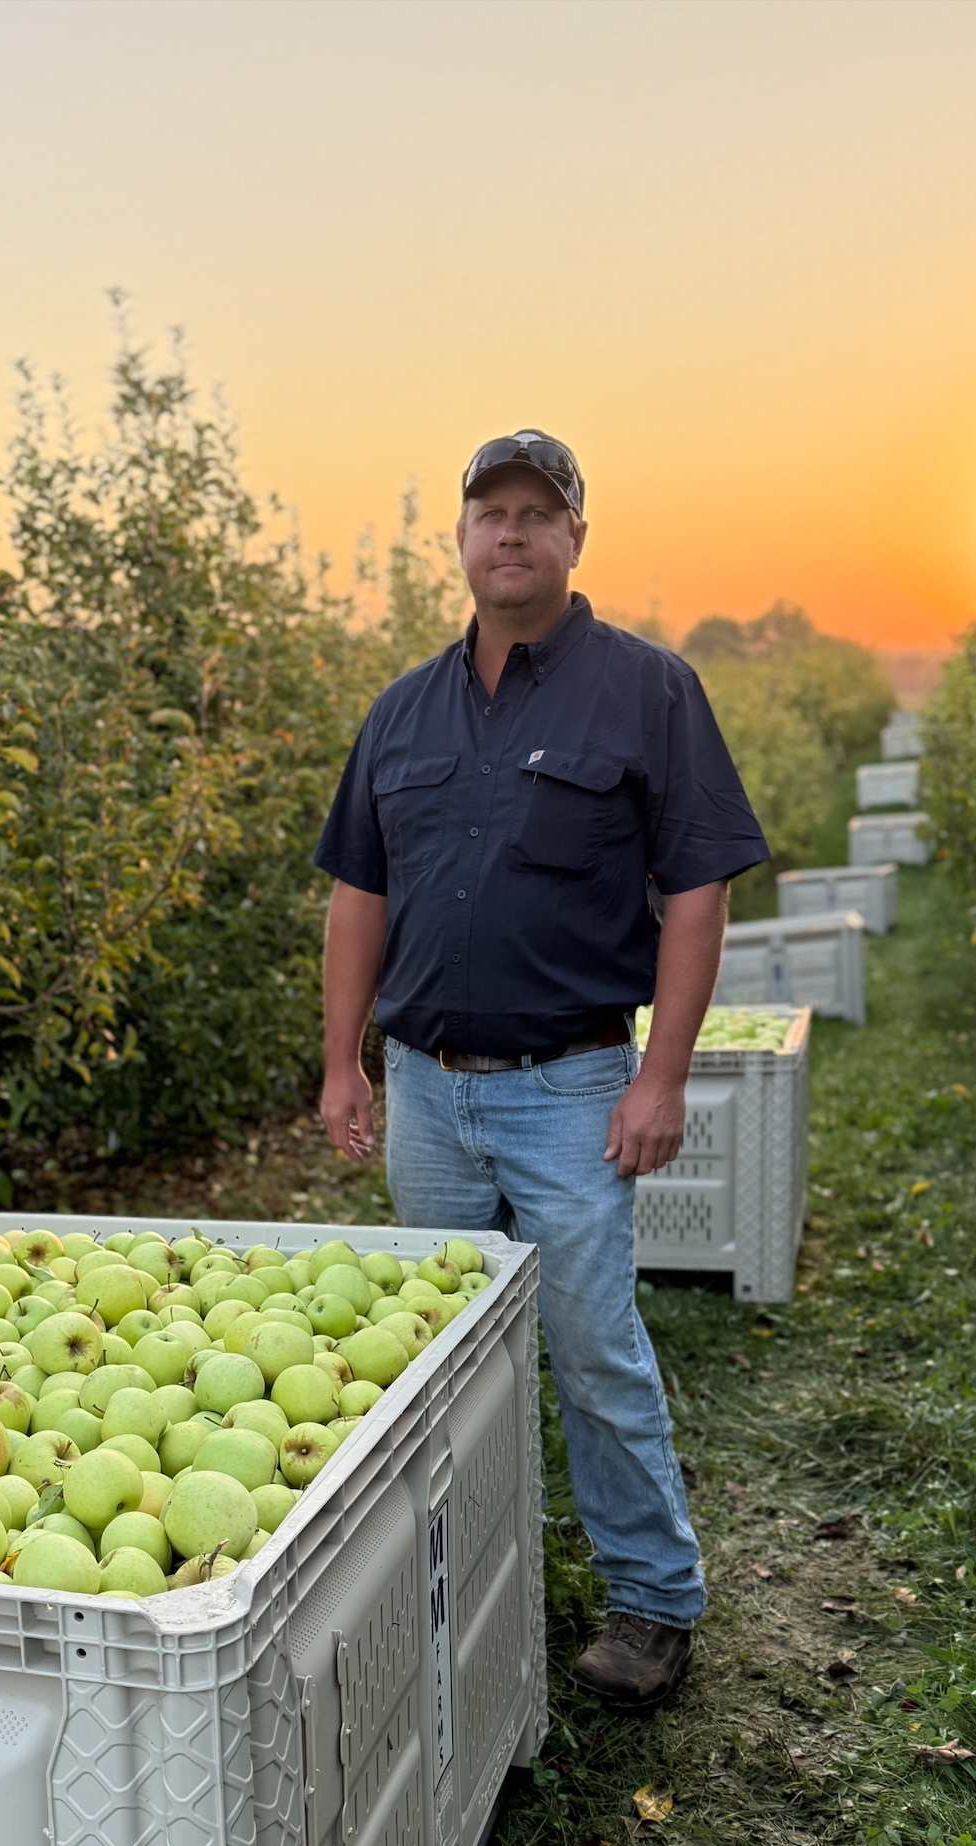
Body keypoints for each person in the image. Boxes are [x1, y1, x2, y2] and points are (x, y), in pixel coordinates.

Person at [314, 431, 767, 1711]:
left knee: (590, 1344)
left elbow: (693, 892)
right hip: (426, 1090)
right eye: (487, 514)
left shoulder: (645, 690)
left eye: (536, 513)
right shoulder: (403, 709)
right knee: (438, 1352)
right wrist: (343, 1062)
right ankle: (466, 1580)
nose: (509, 533)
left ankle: (649, 1598)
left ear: (576, 536)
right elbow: (360, 894)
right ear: (458, 541)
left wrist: (660, 1077)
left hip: (569, 1083)